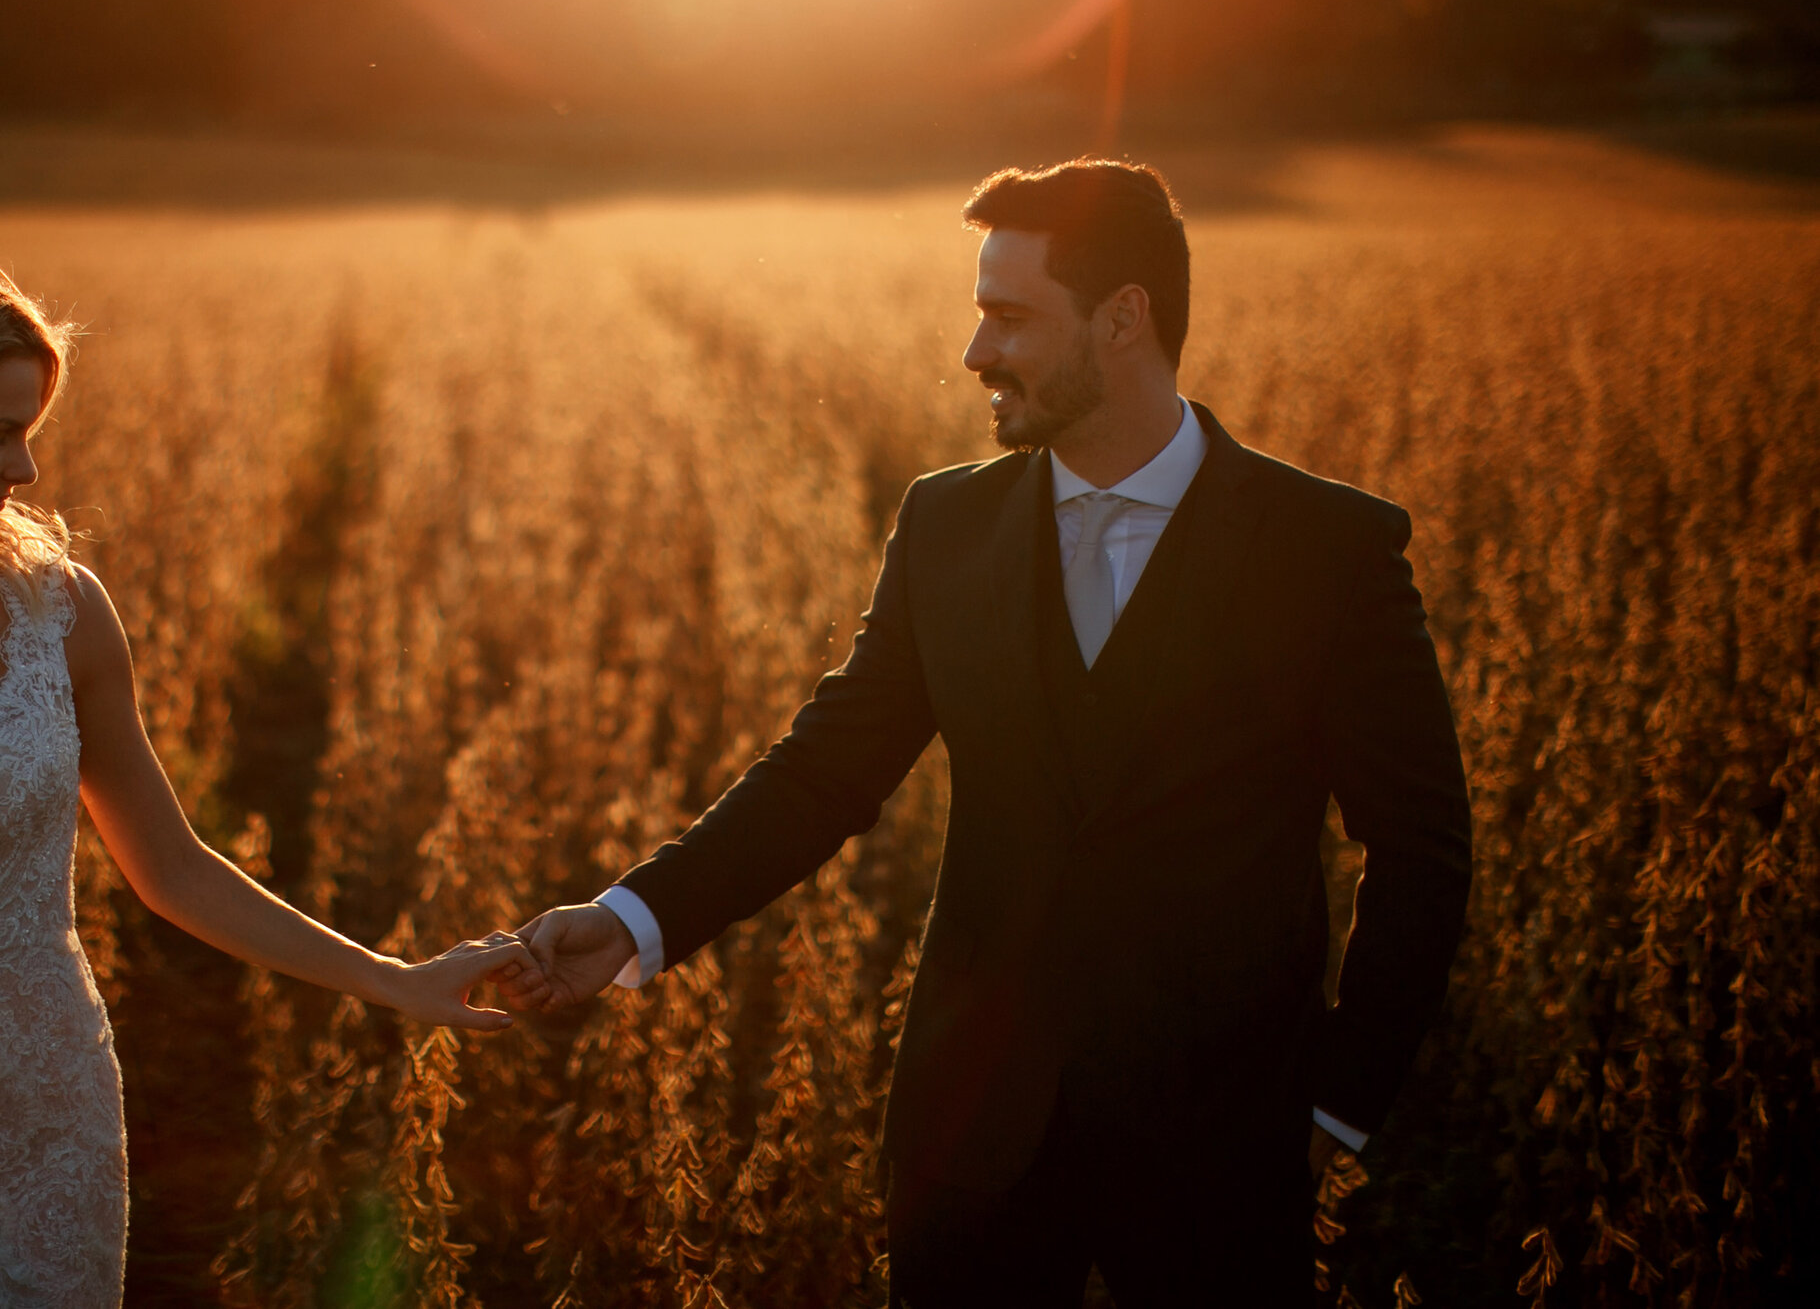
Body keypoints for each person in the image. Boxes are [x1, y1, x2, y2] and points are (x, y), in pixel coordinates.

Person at [506, 161, 1473, 1307]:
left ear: (1124, 318)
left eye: (1008, 316)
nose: (974, 353)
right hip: (972, 1141)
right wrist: (629, 919)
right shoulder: (944, 523)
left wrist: (1333, 1102)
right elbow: (827, 767)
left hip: (1228, 1151)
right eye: (977, 313)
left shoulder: (1329, 550)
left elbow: (1420, 845)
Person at [0, 252, 529, 1309]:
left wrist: (392, 975)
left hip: (47, 1124)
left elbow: (171, 866)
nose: (25, 469)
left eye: (29, 432)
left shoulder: (63, 616)